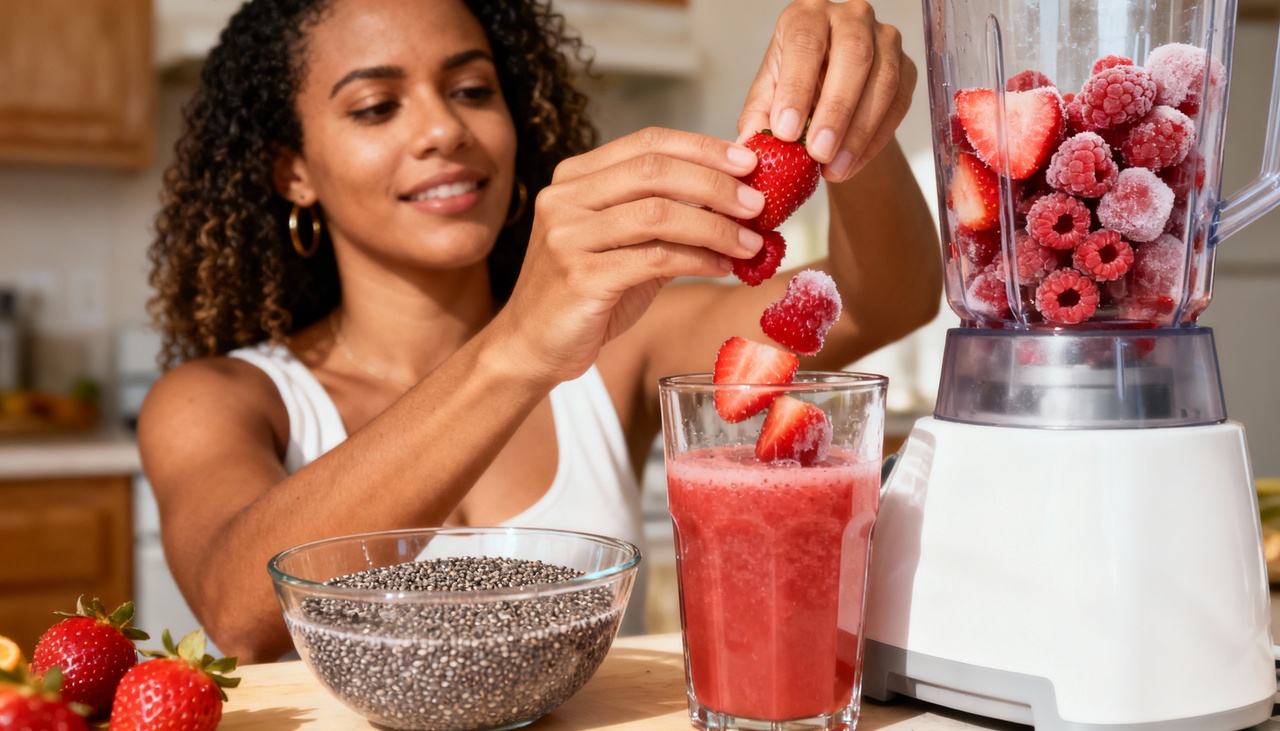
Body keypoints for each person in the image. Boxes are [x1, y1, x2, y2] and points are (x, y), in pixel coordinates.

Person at [138, 0, 942, 664]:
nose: (445, 130)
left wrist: (840, 125)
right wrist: (517, 344)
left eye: (473, 90)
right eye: (377, 106)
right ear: (295, 171)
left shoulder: (617, 341)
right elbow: (242, 612)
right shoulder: (220, 398)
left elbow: (882, 300)